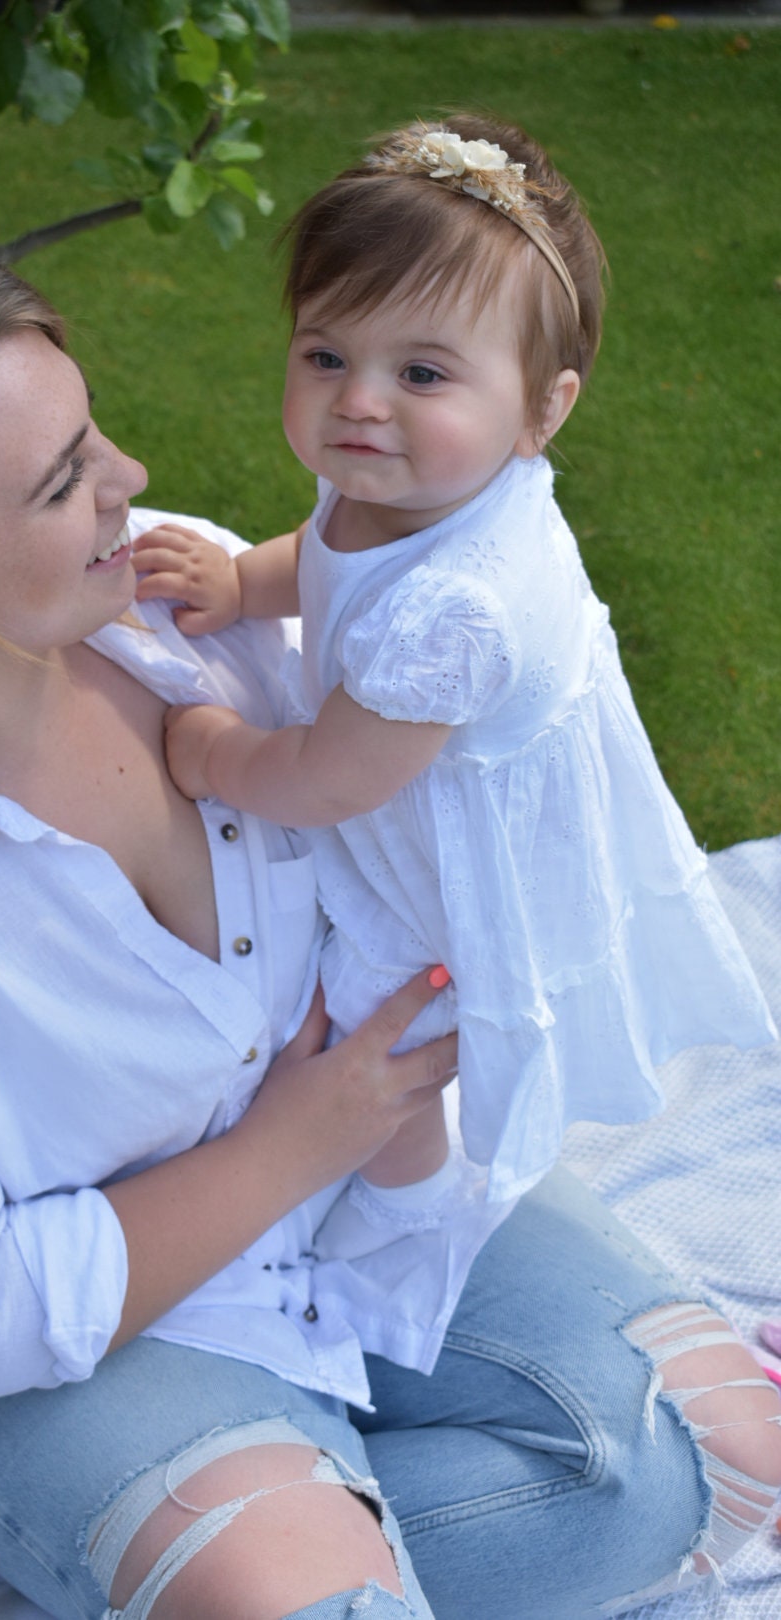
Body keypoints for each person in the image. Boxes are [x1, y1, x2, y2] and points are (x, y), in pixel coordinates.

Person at [0, 183, 778, 1620]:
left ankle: (286, 1560)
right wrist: (296, 1139)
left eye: (94, 435)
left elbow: (453, 719)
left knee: (713, 1464)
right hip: (96, 1334)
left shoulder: (177, 619)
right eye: (62, 478)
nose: (131, 477)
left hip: (361, 1193)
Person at [131, 115, 776, 1304]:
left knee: (393, 1009)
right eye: (326, 355)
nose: (359, 402)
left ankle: (410, 1197)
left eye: (422, 373)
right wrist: (245, 582)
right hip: (408, 758)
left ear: (544, 409)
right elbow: (330, 555)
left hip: (451, 837)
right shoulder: (401, 487)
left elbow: (332, 778)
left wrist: (218, 751)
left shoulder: (460, 611)